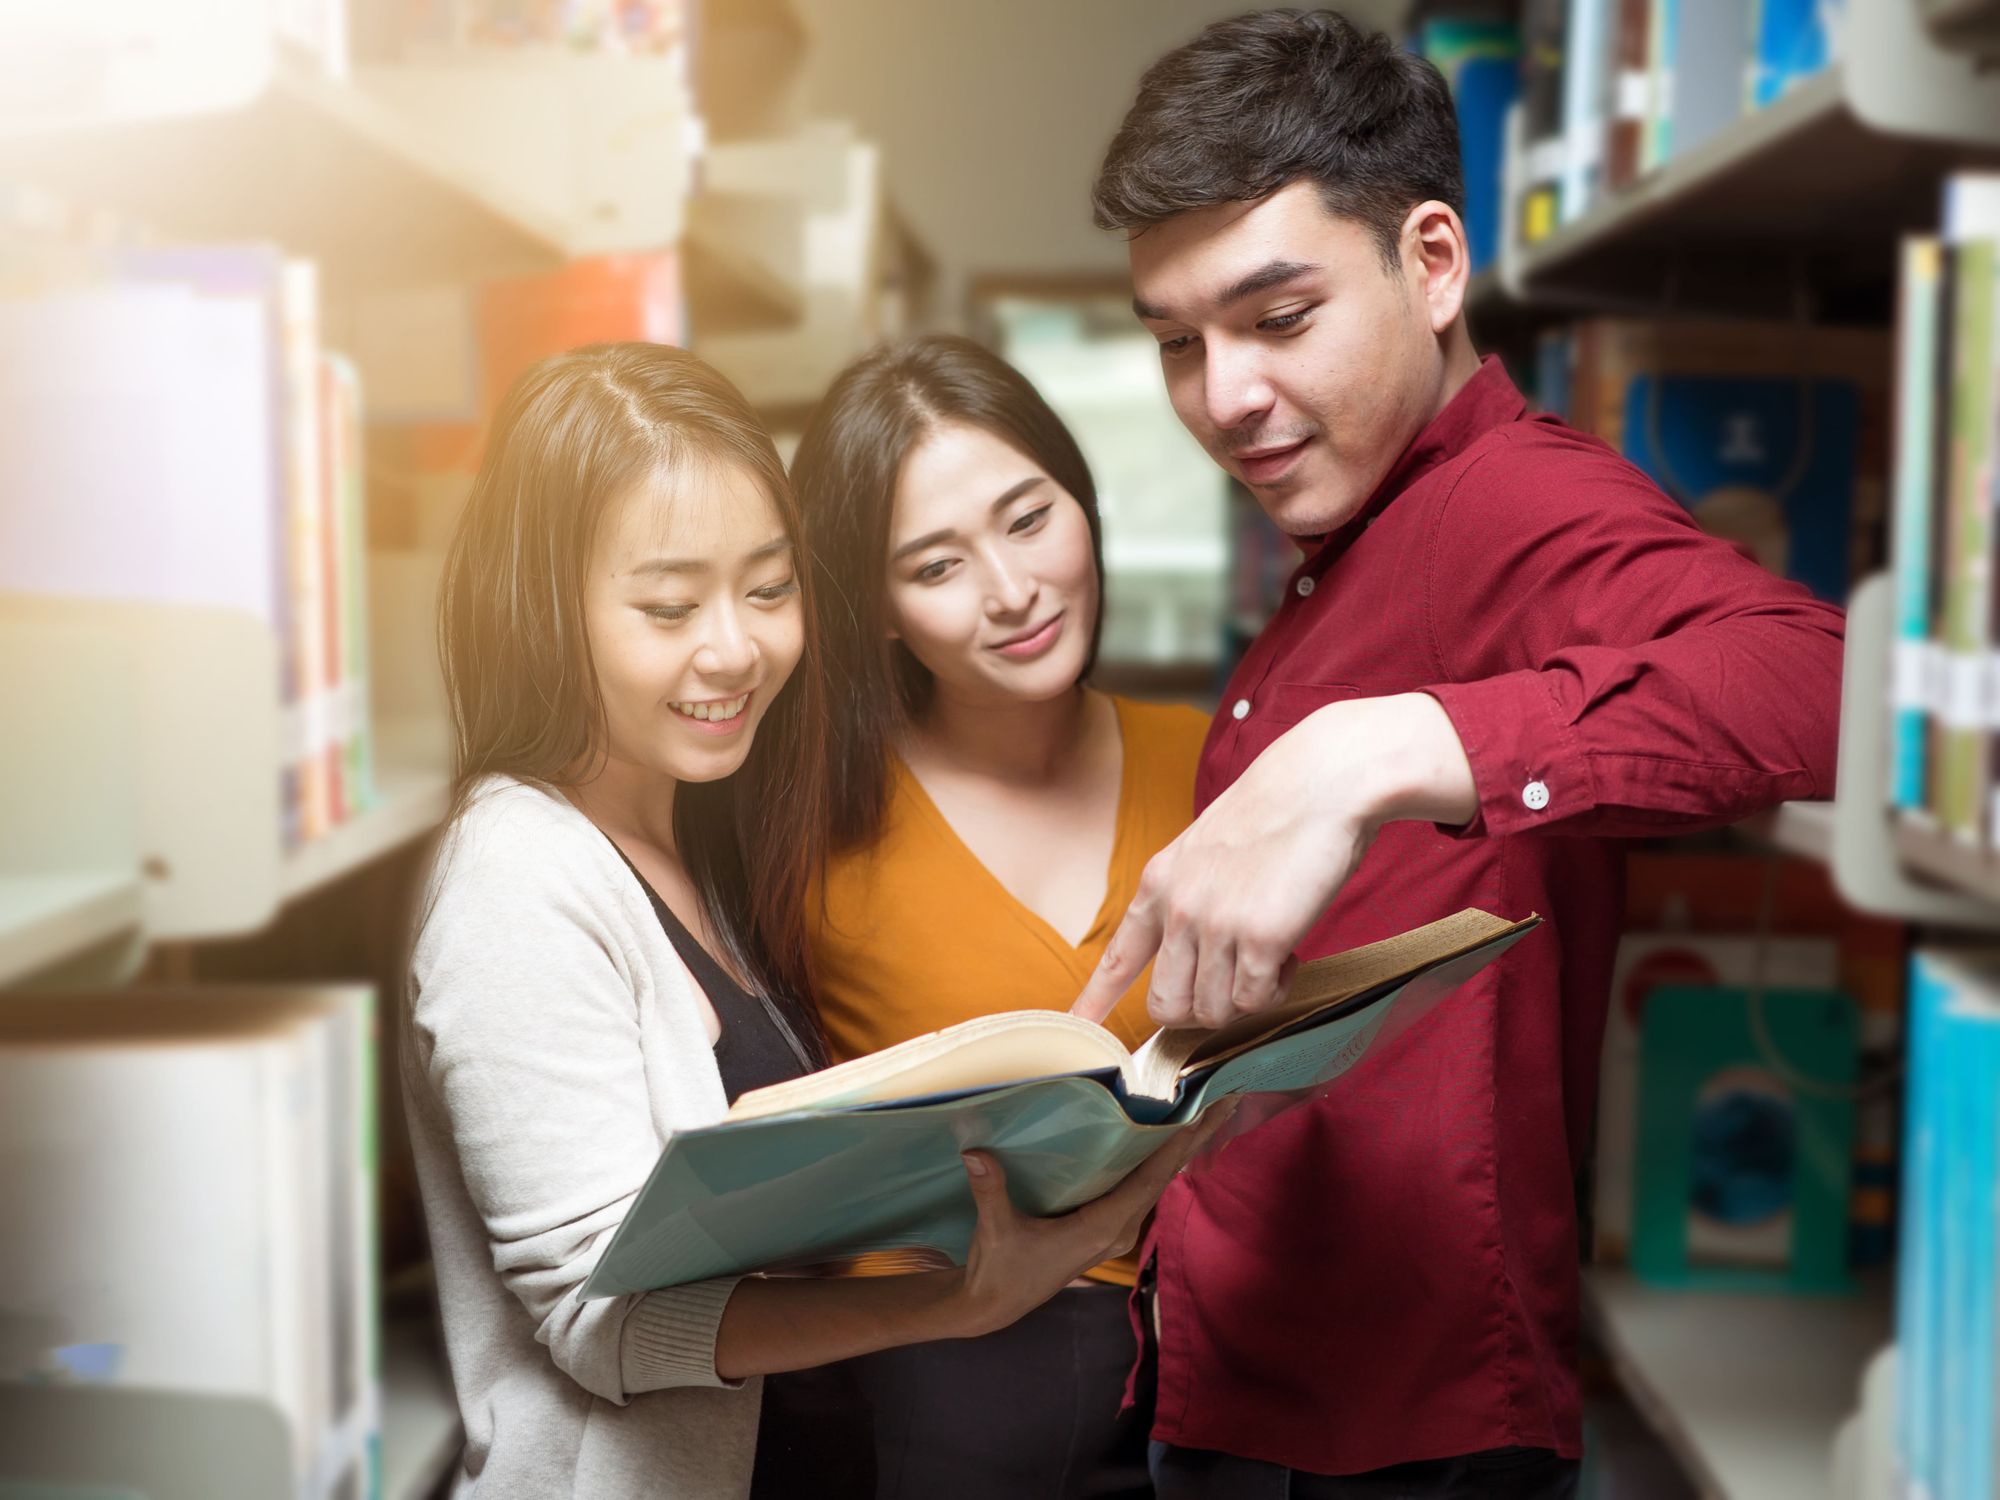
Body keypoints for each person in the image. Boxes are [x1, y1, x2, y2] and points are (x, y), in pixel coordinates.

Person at [1069, 12, 1845, 1498]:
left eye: (1277, 318)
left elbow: (1816, 680)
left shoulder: (1508, 506)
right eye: (1178, 342)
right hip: (1243, 1374)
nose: (1220, 396)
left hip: (1396, 1442)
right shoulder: (1337, 531)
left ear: (1432, 263)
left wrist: (1387, 743)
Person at [403, 341, 1224, 1500]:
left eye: (769, 588)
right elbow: (603, 1321)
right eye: (668, 605)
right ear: (543, 610)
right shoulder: (515, 879)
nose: (735, 648)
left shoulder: (704, 835)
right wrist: (961, 1298)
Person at [788, 332, 1210, 1498]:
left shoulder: (1220, 768)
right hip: (943, 1389)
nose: (1012, 592)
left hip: (1217, 1374)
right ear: (871, 608)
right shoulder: (807, 831)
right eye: (934, 567)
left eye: (1029, 519)